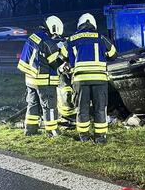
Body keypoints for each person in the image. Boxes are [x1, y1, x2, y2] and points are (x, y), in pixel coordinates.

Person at [60, 13, 118, 144]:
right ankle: (100, 137)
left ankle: (84, 136)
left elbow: (62, 54)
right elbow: (113, 54)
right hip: (100, 79)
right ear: (94, 24)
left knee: (82, 108)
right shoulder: (101, 37)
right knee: (100, 108)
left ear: (79, 25)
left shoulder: (71, 39)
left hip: (80, 80)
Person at [17, 15, 63, 137]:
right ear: (53, 28)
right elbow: (55, 63)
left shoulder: (34, 36)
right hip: (44, 80)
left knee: (32, 104)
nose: (55, 38)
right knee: (49, 106)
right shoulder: (48, 42)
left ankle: (30, 130)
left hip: (30, 79)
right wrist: (62, 54)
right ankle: (52, 132)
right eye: (55, 35)